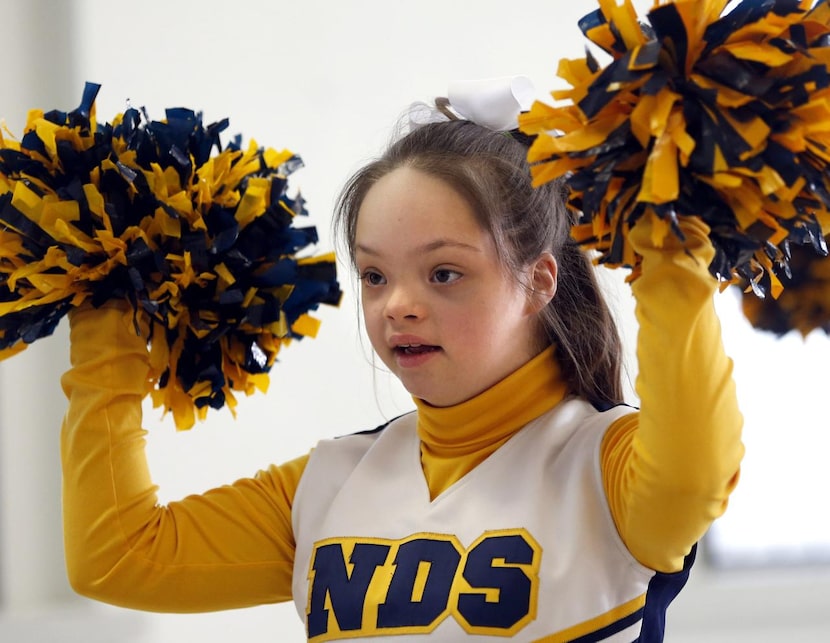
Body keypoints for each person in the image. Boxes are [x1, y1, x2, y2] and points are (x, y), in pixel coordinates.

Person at [60, 99, 744, 642]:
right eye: (375, 275)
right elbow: (119, 556)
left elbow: (691, 475)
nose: (398, 306)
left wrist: (670, 249)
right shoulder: (330, 481)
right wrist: (110, 304)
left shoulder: (608, 465)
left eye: (444, 272)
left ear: (538, 281)